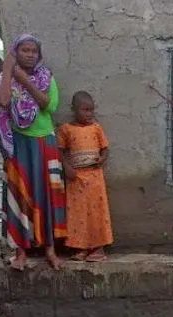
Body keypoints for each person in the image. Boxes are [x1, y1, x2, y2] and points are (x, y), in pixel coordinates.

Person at [0, 34, 65, 270]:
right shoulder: (5, 78)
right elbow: (3, 100)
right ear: (16, 52)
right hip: (17, 143)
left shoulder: (47, 77)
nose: (29, 54)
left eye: (33, 50)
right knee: (19, 195)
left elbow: (49, 105)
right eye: (24, 50)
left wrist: (23, 79)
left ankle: (50, 250)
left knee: (46, 196)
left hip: (45, 142)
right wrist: (7, 70)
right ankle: (21, 252)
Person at [58, 91, 114, 263]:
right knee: (77, 213)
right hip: (76, 178)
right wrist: (66, 167)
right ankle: (80, 247)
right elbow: (59, 150)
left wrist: (102, 159)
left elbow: (105, 149)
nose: (89, 114)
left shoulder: (96, 128)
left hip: (95, 177)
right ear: (74, 110)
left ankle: (98, 248)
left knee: (97, 211)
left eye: (91, 110)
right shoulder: (66, 129)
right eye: (85, 110)